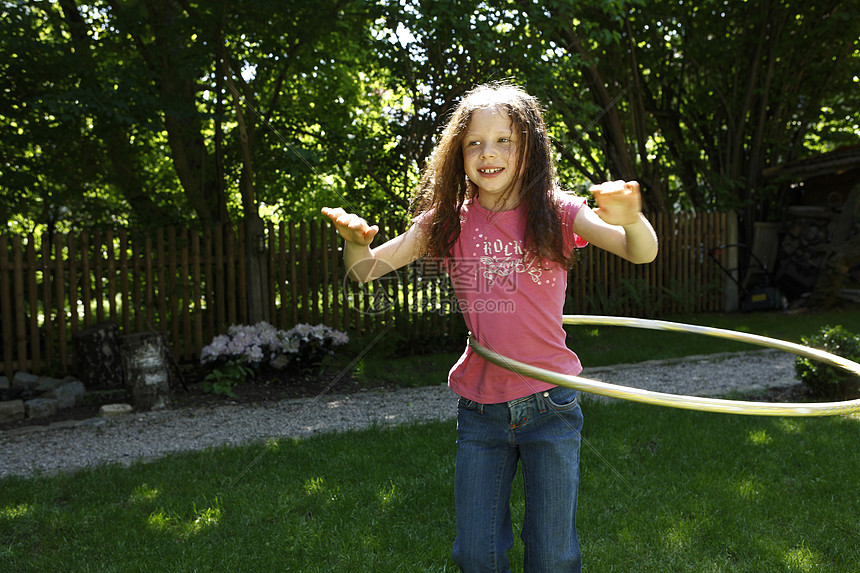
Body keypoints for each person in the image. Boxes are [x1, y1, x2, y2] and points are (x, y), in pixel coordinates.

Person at [322, 82, 658, 573]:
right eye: (474, 142)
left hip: (551, 403)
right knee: (475, 555)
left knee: (552, 555)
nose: (489, 153)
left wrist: (632, 219)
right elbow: (365, 270)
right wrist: (355, 242)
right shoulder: (447, 220)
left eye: (505, 140)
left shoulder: (558, 211)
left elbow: (640, 251)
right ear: (458, 152)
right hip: (480, 408)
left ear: (530, 148)